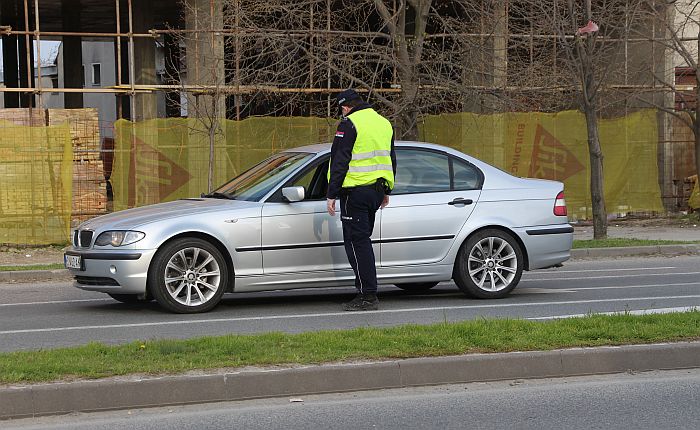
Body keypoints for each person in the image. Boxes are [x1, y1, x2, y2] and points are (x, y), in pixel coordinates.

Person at [326, 89, 396, 311]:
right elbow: (391, 158)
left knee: (357, 244)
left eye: (342, 109)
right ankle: (366, 290)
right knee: (362, 240)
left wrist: (331, 193)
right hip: (376, 191)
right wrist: (387, 190)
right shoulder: (384, 122)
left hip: (355, 192)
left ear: (346, 107)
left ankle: (368, 295)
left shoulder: (349, 124)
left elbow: (340, 160)